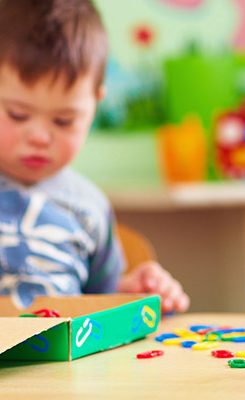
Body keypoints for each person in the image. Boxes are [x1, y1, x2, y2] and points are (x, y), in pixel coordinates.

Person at [0, 0, 189, 313]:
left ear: (94, 105)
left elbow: (99, 302)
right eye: (18, 115)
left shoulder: (89, 207)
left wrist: (131, 292)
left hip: (62, 363)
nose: (39, 136)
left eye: (64, 120)